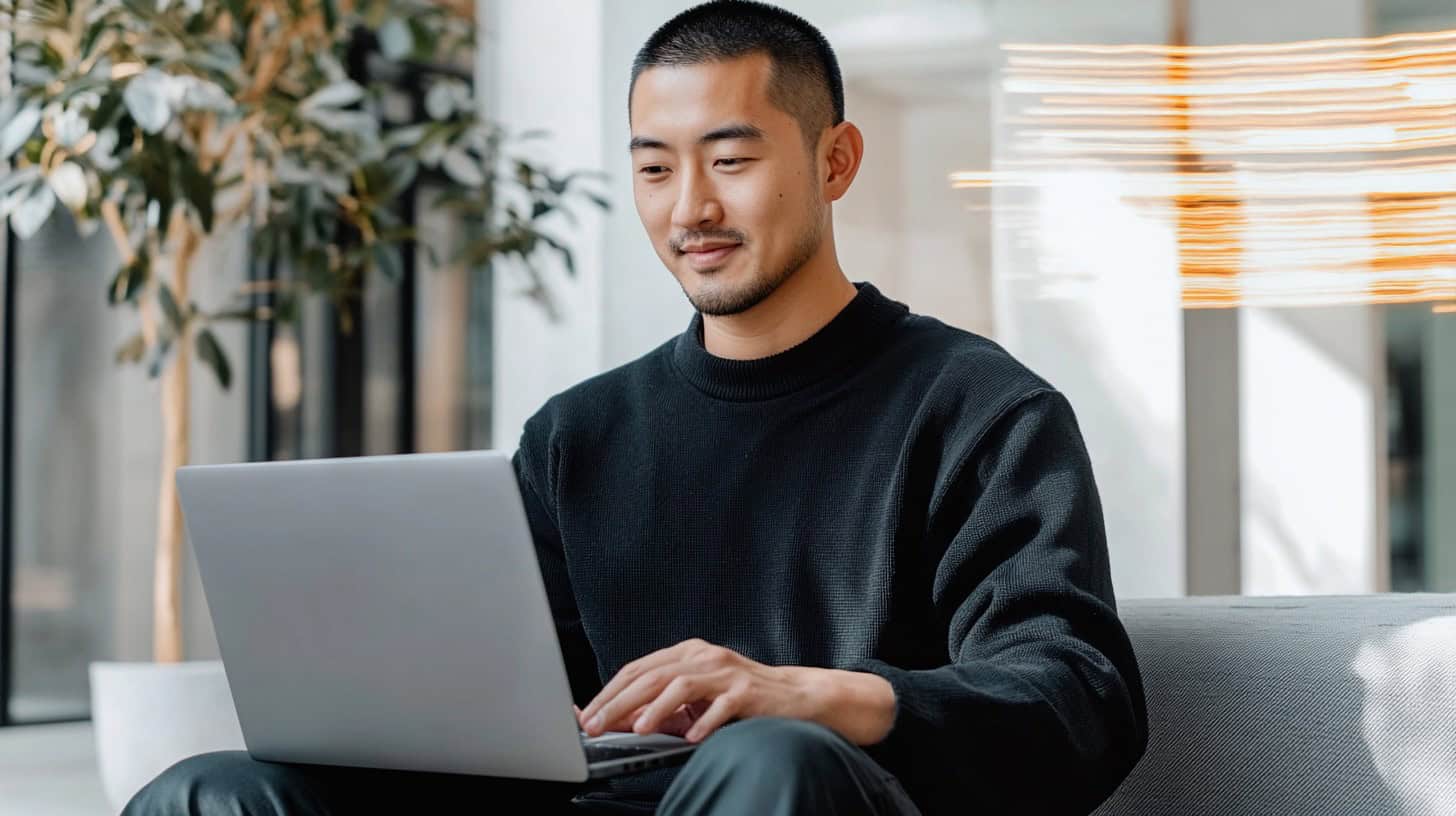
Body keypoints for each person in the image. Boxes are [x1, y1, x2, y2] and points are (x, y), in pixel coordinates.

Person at [125, 1, 1147, 813]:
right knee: (211, 791)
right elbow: (515, 721)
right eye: (654, 167)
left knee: (766, 761)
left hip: (802, 793)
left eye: (731, 160)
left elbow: (1077, 699)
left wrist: (811, 693)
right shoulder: (575, 437)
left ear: (833, 161)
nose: (688, 207)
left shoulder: (980, 410)